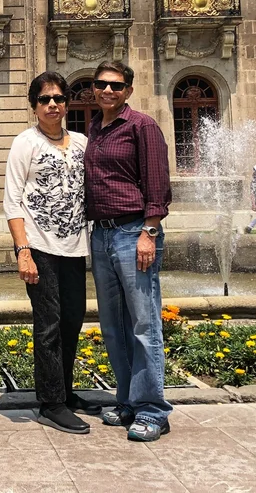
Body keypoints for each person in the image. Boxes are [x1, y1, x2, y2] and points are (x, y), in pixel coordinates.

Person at [84, 61, 173, 443]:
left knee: (143, 324)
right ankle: (128, 401)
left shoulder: (142, 126)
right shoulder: (95, 128)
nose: (108, 91)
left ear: (128, 91)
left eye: (116, 86)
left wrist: (149, 232)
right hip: (101, 235)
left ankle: (153, 410)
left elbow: (157, 184)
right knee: (113, 326)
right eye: (102, 85)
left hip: (133, 231)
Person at [4, 71, 94, 435]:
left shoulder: (82, 143)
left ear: (67, 103)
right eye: (45, 99)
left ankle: (66, 391)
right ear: (34, 106)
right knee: (49, 324)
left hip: (75, 246)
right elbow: (12, 202)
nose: (52, 105)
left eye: (58, 98)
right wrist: (22, 251)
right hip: (39, 246)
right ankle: (51, 402)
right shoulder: (25, 143)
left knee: (72, 320)